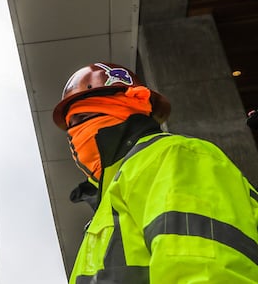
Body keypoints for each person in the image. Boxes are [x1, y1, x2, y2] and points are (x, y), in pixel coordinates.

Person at [53, 62, 258, 283]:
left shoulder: (172, 156)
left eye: (83, 119)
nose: (75, 136)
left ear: (125, 107)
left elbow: (207, 270)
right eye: (70, 127)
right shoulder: (106, 205)